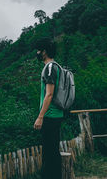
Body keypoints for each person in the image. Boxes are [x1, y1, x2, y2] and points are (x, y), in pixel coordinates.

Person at [33, 37, 63, 179]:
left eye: (39, 50)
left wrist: (40, 117)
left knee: (49, 154)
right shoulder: (56, 66)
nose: (37, 53)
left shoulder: (50, 68)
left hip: (50, 116)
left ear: (44, 52)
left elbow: (49, 94)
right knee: (52, 152)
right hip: (55, 115)